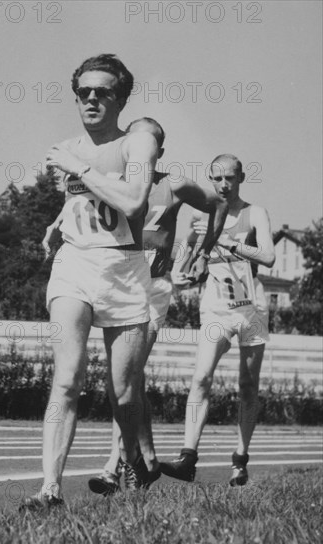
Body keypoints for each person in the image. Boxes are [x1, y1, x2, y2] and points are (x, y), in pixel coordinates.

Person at [20, 54, 161, 510]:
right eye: (84, 92)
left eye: (103, 92)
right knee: (67, 377)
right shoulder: (68, 145)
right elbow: (85, 202)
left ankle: (135, 464)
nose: (92, 99)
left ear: (120, 98)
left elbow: (134, 201)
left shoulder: (137, 144)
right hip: (75, 266)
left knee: (123, 389)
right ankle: (49, 489)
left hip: (124, 272)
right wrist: (57, 220)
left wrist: (78, 168)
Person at [78, 117, 228, 495]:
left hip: (152, 289)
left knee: (124, 378)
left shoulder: (173, 184)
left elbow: (218, 203)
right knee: (130, 379)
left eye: (152, 142)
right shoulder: (108, 181)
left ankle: (115, 467)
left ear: (159, 150)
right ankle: (145, 458)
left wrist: (204, 254)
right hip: (116, 283)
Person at [160, 154, 275, 486]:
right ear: (210, 179)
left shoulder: (255, 214)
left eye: (230, 178)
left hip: (251, 309)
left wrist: (228, 241)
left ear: (241, 178)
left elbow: (268, 256)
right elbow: (181, 268)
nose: (224, 185)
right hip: (216, 309)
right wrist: (182, 275)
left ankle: (239, 459)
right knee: (201, 378)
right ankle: (188, 457)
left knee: (248, 385)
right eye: (217, 179)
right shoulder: (200, 215)